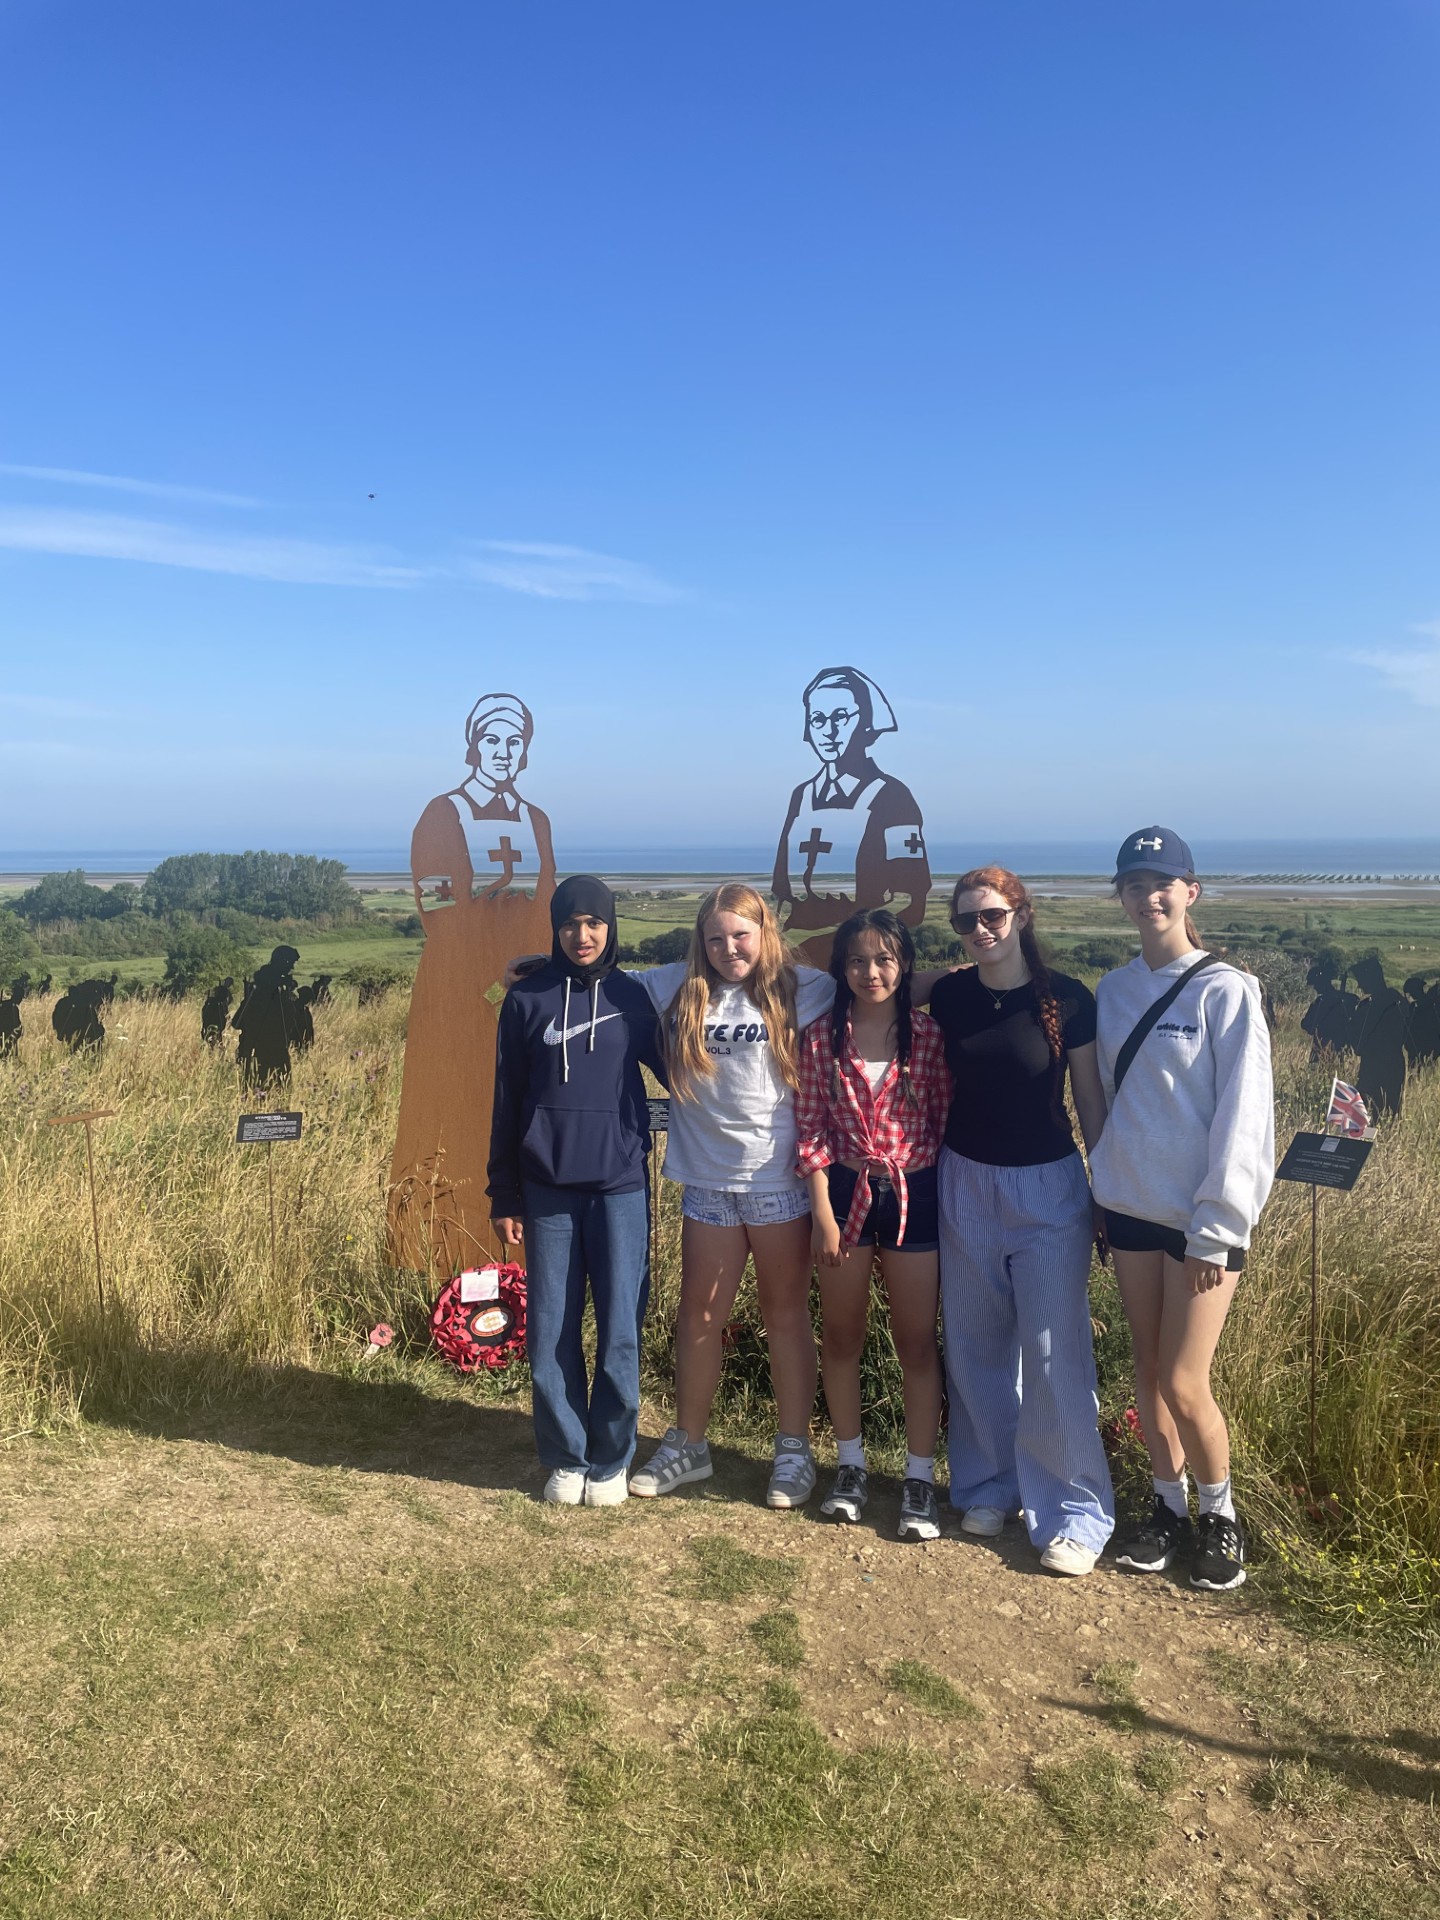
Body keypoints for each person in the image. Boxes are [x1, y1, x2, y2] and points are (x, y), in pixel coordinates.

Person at [1090, 827, 1274, 1593]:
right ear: (1122, 897)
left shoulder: (1226, 990)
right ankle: (1166, 1508)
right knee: (1146, 1371)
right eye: (1135, 885)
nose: (1149, 897)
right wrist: (1102, 1193)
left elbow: (1245, 1116)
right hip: (1131, 1208)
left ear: (1191, 892)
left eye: (1163, 883)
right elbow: (1113, 1102)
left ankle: (1220, 1517)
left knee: (1185, 1381)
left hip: (1202, 1223)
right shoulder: (1113, 992)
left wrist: (1220, 1224)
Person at [929, 867, 1115, 1577]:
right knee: (973, 1343)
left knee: (1053, 1353)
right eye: (967, 920)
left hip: (1050, 1190)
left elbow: (1090, 1102)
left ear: (1021, 915)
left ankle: (1075, 1512)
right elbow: (885, 985)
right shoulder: (951, 994)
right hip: (963, 1180)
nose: (981, 930)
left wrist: (1105, 1193)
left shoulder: (1069, 998)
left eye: (993, 916)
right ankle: (988, 1486)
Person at [627, 884, 836, 1507]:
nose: (729, 949)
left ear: (764, 932)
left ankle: (793, 1450)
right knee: (699, 1315)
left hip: (779, 1184)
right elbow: (604, 979)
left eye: (741, 935)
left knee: (785, 1315)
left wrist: (956, 976)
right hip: (707, 1183)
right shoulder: (677, 986)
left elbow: (885, 984)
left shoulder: (805, 988)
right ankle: (688, 1444)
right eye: (715, 938)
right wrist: (534, 968)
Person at [488, 876, 666, 1505]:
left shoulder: (632, 996)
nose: (581, 935)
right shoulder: (527, 998)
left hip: (620, 1185)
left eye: (593, 923)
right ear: (555, 928)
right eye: (569, 923)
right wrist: (503, 1192)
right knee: (551, 1329)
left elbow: (678, 1069)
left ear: (611, 926)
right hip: (546, 1189)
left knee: (620, 1326)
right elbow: (506, 1099)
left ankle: (611, 1459)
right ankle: (566, 1456)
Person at [794, 909, 952, 1540]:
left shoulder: (928, 1036)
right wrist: (822, 1216)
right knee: (841, 1335)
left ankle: (919, 1477)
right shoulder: (819, 1039)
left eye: (884, 959)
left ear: (904, 963)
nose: (871, 972)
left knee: (917, 1340)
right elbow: (809, 1129)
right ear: (841, 968)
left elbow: (943, 1119)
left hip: (916, 1191)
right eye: (857, 960)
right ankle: (850, 1465)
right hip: (843, 1192)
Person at [389, 692, 558, 1270]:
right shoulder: (444, 814)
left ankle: (523, 1267)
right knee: (457, 1118)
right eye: (491, 739)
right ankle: (443, 1258)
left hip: (526, 999)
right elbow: (440, 913)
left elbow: (548, 909)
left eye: (514, 741)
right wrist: (490, 987)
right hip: (458, 995)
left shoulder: (536, 820)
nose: (503, 751)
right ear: (472, 745)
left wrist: (538, 982)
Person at [771, 667, 930, 969]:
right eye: (818, 719)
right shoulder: (801, 797)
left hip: (860, 969)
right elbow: (782, 901)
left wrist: (833, 945)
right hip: (793, 970)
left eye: (841, 717)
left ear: (867, 722)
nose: (828, 731)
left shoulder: (892, 796)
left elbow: (909, 902)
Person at [1348, 954, 1409, 1119]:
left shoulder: (1367, 1006)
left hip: (1372, 1064)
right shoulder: (1399, 1001)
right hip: (1395, 1063)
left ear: (1370, 978)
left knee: (1363, 1114)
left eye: (1361, 980)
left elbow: (1355, 1042)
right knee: (1390, 1112)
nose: (1359, 985)